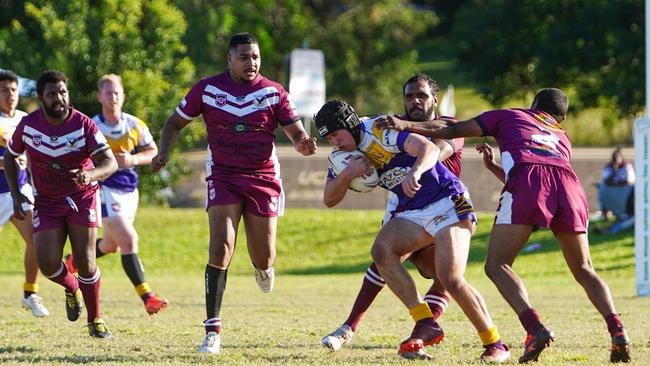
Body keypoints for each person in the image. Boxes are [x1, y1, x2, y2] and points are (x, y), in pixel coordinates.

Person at [376, 88, 632, 363]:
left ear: (533, 104)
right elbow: (546, 173)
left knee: (496, 265)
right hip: (570, 186)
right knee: (584, 268)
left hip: (528, 180)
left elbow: (452, 128)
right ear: (560, 117)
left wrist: (405, 125)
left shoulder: (511, 115)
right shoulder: (561, 135)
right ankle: (618, 330)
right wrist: (495, 167)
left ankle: (535, 328)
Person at [151, 32, 317, 354]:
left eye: (255, 57)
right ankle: (212, 331)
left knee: (263, 255)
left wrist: (303, 144)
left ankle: (263, 267)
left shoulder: (273, 93)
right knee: (220, 248)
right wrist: (165, 153)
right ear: (229, 59)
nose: (251, 62)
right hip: (223, 175)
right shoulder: (207, 89)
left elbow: (296, 132)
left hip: (263, 176)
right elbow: (172, 124)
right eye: (244, 57)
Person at [314, 100, 510, 362]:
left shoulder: (380, 129)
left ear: (350, 124)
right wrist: (347, 175)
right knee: (382, 251)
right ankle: (426, 322)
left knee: (450, 277)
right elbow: (329, 198)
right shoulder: (343, 157)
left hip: (448, 199)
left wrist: (416, 172)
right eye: (328, 138)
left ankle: (495, 343)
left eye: (336, 134)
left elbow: (427, 148)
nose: (334, 142)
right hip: (414, 210)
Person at [321, 74, 461, 354]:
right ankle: (349, 327)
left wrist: (394, 144)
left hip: (444, 205)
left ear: (435, 99)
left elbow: (438, 151)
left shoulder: (449, 127)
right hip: (407, 209)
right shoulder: (381, 128)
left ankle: (423, 334)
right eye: (409, 96)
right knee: (383, 257)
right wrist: (352, 159)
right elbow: (330, 196)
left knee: (447, 276)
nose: (415, 101)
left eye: (421, 95)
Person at [3, 70, 118, 338]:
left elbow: (109, 163)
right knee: (47, 263)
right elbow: (10, 156)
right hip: (47, 201)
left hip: (82, 197)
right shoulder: (29, 125)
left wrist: (89, 174)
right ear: (41, 98)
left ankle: (96, 320)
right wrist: (16, 194)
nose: (59, 98)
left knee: (86, 262)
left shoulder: (84, 124)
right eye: (52, 94)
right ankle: (72, 287)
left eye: (63, 92)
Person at [65, 74, 168, 315]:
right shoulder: (92, 126)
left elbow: (152, 150)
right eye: (108, 93)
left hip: (129, 191)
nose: (113, 97)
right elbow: (77, 156)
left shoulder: (134, 125)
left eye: (117, 93)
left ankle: (72, 262)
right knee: (129, 240)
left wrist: (133, 159)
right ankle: (148, 297)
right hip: (103, 190)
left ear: (123, 96)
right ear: (100, 96)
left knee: (112, 244)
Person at [0, 69, 49, 317]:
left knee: (37, 241)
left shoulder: (24, 119)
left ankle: (30, 293)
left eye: (13, 90)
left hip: (18, 192)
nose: (10, 95)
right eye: (4, 90)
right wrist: (5, 162)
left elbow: (33, 154)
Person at [595, 147, 635, 222]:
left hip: (625, 191)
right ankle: (605, 213)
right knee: (602, 188)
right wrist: (614, 171)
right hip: (611, 190)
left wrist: (619, 183)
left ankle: (625, 213)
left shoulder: (627, 166)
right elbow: (606, 180)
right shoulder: (609, 167)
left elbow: (630, 180)